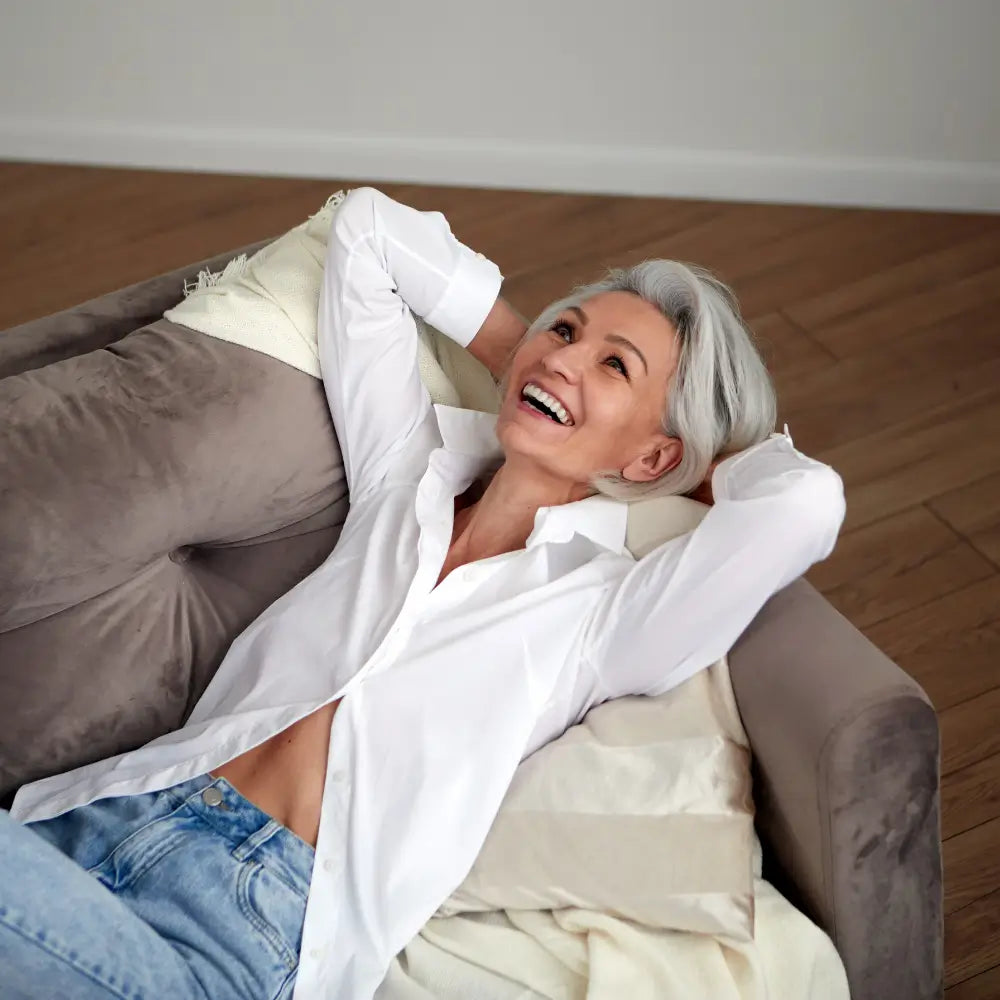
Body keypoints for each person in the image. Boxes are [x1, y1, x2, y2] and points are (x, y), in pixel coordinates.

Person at [0, 187, 846, 1000]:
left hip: (244, 924)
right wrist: (525, 356)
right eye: (567, 329)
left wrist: (710, 464)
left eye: (613, 365)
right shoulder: (406, 479)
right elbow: (366, 232)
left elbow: (804, 504)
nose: (564, 357)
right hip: (97, 819)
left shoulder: (606, 620)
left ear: (653, 458)